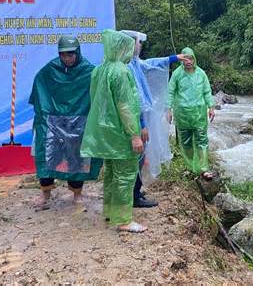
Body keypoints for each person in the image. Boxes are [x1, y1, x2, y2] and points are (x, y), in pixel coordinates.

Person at [80, 30, 146, 233]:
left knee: (110, 172)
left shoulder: (99, 70)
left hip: (106, 132)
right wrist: (134, 134)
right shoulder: (121, 71)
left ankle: (110, 211)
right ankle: (124, 219)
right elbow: (126, 106)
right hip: (121, 133)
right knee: (125, 175)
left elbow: (96, 101)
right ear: (123, 48)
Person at [29, 35, 102, 210]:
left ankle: (77, 194)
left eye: (70, 54)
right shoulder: (50, 69)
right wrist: (45, 113)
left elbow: (98, 94)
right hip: (53, 121)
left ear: (77, 52)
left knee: (76, 158)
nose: (67, 58)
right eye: (63, 55)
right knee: (47, 156)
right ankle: (45, 194)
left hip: (79, 121)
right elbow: (40, 88)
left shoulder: (89, 71)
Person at [122, 30, 190, 208]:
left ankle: (134, 192)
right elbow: (135, 99)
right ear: (130, 44)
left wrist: (173, 58)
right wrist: (142, 124)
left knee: (138, 155)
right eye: (138, 42)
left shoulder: (134, 63)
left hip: (138, 119)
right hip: (136, 121)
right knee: (135, 157)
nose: (141, 45)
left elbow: (151, 64)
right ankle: (133, 196)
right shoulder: (127, 67)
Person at [167, 47, 215, 179]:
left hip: (199, 114)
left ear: (194, 59)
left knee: (202, 140)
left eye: (191, 58)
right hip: (182, 114)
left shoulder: (201, 74)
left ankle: (204, 168)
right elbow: (170, 91)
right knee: (186, 142)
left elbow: (207, 91)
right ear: (182, 59)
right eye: (186, 58)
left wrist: (211, 107)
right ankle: (190, 167)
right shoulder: (177, 74)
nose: (188, 61)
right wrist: (168, 109)